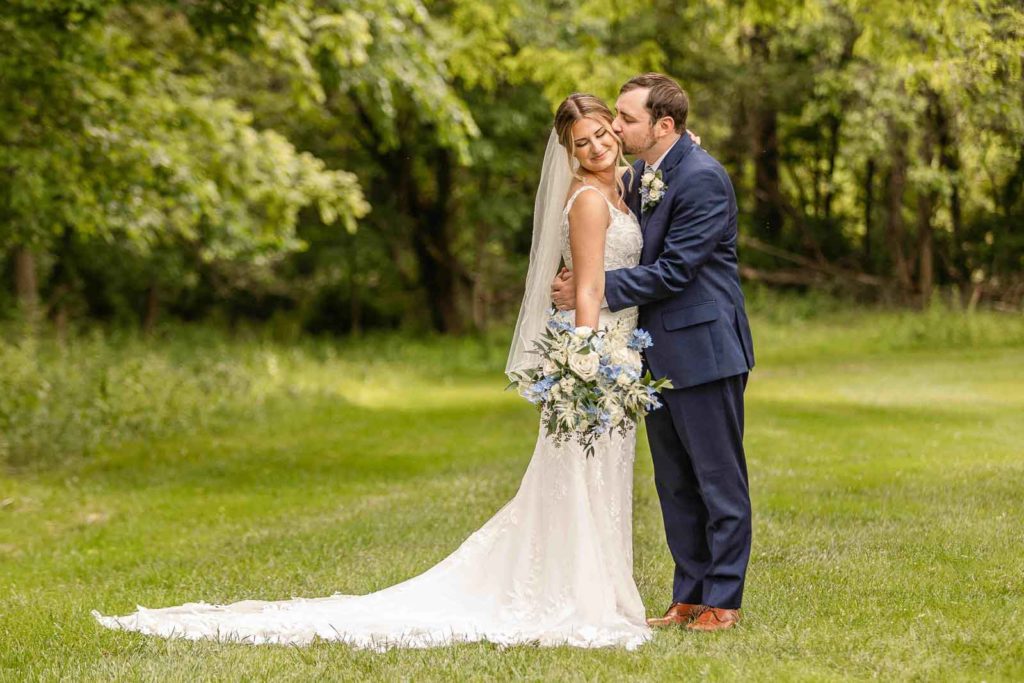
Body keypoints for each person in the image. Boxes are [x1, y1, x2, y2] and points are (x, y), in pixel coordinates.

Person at [93, 93, 654, 650]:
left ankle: (598, 587)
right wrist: (588, 361)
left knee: (598, 475)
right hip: (598, 356)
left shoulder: (622, 187)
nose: (598, 146)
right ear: (568, 150)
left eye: (603, 134)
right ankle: (580, 597)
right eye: (583, 142)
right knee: (581, 475)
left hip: (617, 350)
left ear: (614, 128)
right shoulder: (586, 200)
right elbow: (584, 287)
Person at [552, 73, 755, 632]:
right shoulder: (644, 173)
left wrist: (593, 289)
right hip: (651, 355)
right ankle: (687, 595)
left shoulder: (704, 179)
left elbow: (674, 271)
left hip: (706, 349)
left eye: (626, 118)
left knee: (718, 479)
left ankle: (723, 600)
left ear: (664, 125)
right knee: (674, 482)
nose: (615, 127)